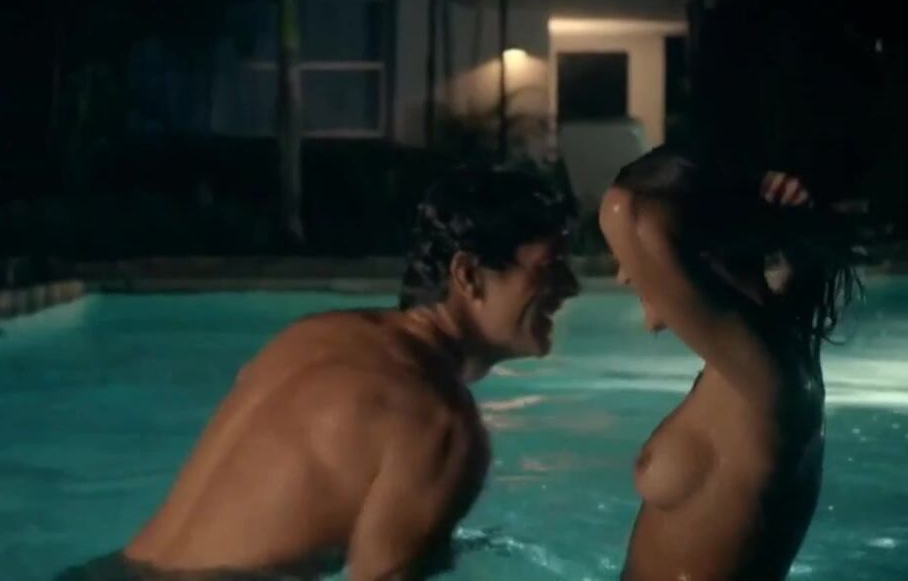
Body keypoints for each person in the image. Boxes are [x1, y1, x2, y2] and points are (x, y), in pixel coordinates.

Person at [112, 161, 580, 580]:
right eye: (549, 267)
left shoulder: (312, 336)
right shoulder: (439, 425)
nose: (571, 287)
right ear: (469, 275)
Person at [598, 146, 862, 580]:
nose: (625, 275)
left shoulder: (770, 378)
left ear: (694, 247)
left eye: (631, 260)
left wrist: (746, 188)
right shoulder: (758, 363)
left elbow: (624, 211)